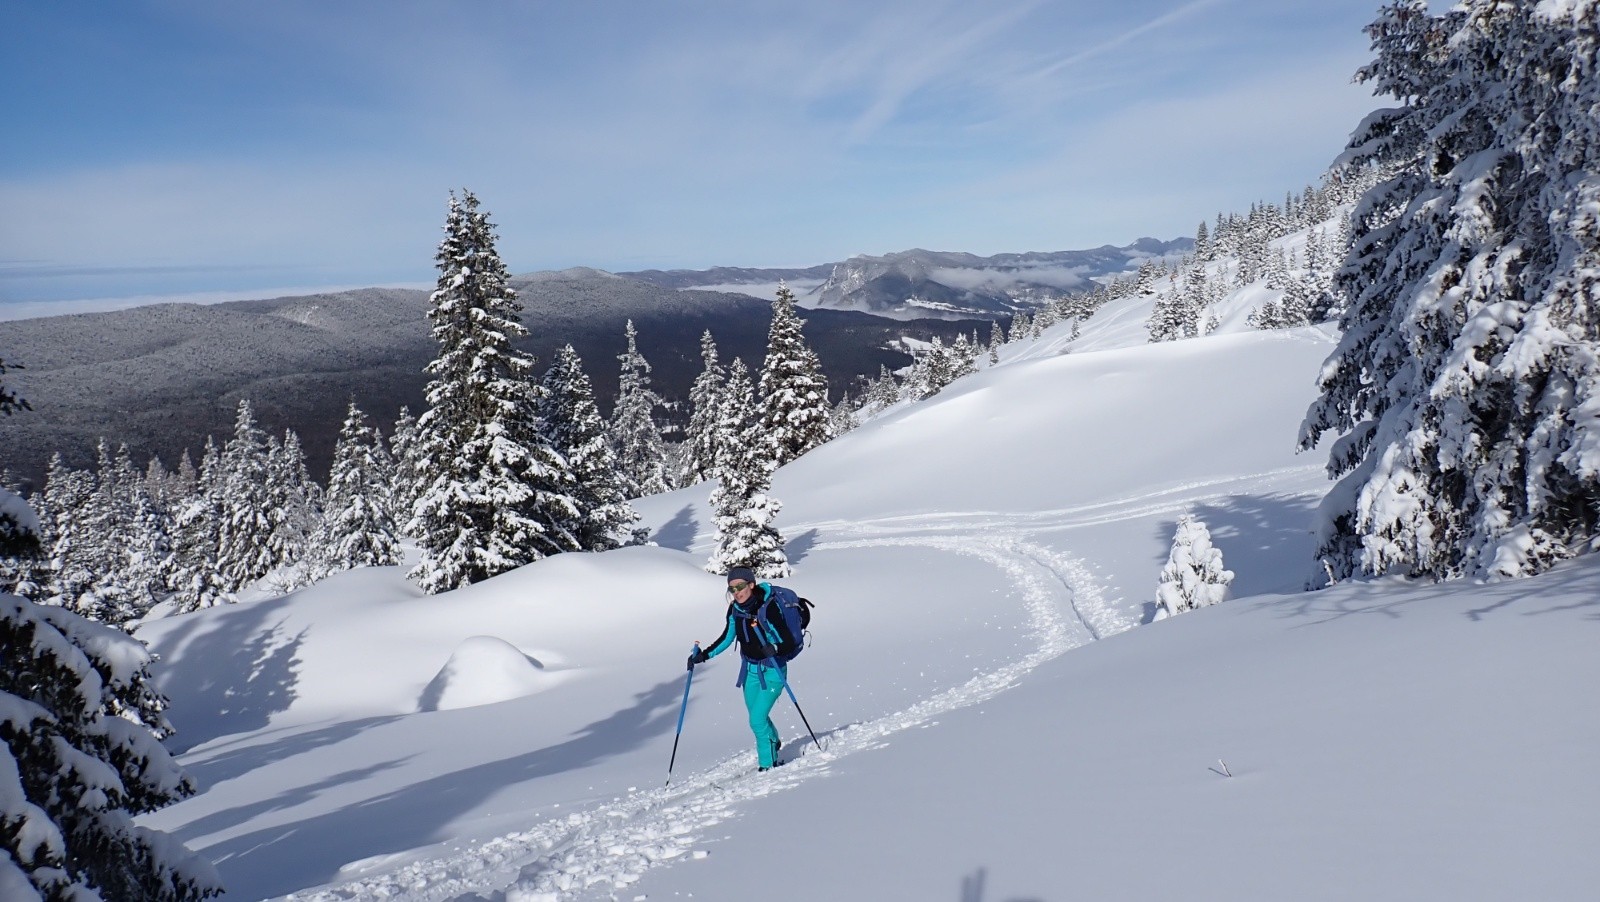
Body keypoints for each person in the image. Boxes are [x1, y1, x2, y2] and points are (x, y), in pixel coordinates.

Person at [686, 566, 803, 771]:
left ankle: (768, 765)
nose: (736, 591)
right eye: (732, 588)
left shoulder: (768, 608)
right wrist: (702, 656)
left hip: (773, 671)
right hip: (750, 671)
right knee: (758, 718)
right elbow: (727, 637)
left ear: (751, 584)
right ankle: (773, 742)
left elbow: (789, 642)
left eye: (740, 586)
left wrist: (774, 647)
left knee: (756, 720)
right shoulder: (735, 610)